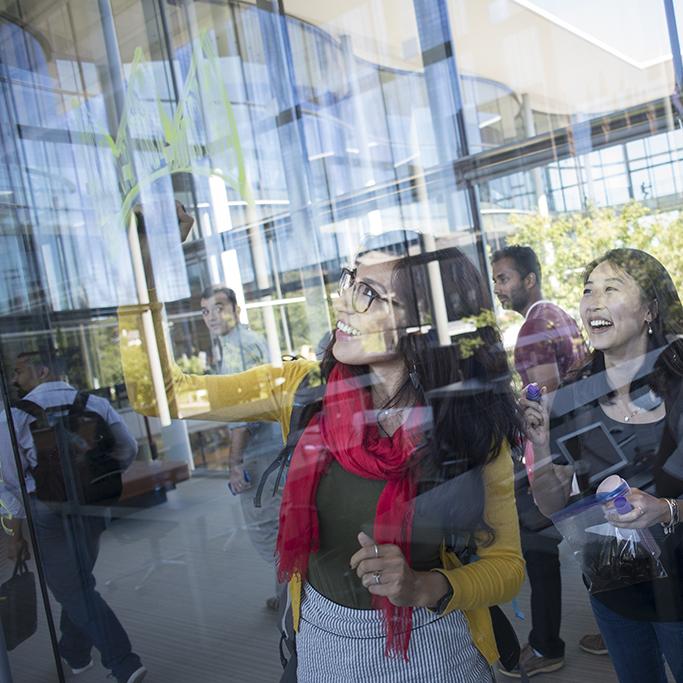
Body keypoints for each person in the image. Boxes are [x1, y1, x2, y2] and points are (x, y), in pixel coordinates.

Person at [120, 227, 525, 681]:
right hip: (321, 643)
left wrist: (424, 585)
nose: (343, 302)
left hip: (433, 646)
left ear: (424, 323)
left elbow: (506, 566)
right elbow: (162, 394)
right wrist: (145, 271)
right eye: (350, 281)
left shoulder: (467, 423)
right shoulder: (303, 390)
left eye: (368, 293)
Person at [522, 249, 683, 683]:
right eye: (588, 290)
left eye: (612, 288)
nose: (593, 301)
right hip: (615, 585)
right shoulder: (572, 398)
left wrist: (667, 509)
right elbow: (551, 505)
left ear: (651, 308)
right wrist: (538, 446)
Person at [0, 348, 147, 683]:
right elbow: (128, 449)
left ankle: (124, 663)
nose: (14, 379)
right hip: (93, 506)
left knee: (72, 589)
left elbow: (10, 483)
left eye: (20, 372)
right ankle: (74, 651)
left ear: (42, 371)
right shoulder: (93, 403)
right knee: (78, 582)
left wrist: (16, 533)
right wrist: (99, 479)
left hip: (47, 511)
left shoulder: (16, 416)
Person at [492, 245, 590, 676]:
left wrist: (515, 412)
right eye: (496, 279)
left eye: (504, 278)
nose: (498, 288)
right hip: (582, 446)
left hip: (554, 453)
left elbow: (544, 400)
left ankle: (547, 646)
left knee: (539, 547)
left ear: (528, 280)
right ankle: (611, 620)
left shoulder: (533, 327)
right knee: (587, 538)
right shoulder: (558, 314)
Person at [200, 284, 283, 611]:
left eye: (219, 307)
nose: (212, 316)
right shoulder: (248, 340)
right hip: (271, 448)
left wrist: (234, 463)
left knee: (267, 530)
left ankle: (296, 597)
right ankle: (287, 593)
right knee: (277, 525)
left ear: (236, 309)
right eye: (205, 311)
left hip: (260, 454)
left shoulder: (238, 348)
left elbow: (242, 416)